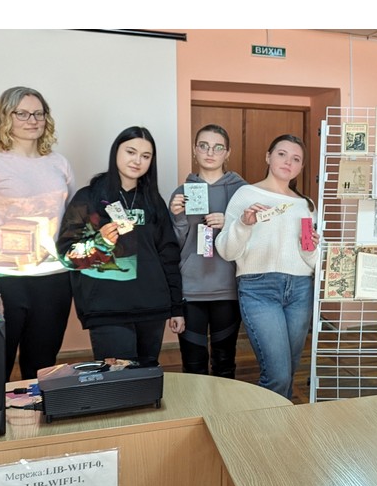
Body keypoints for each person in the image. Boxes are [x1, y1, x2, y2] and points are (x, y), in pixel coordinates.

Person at [0, 86, 75, 381]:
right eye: (22, 113)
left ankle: (36, 413)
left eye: (38, 113)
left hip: (53, 283)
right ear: (5, 116)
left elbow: (72, 226)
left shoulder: (59, 163)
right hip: (3, 283)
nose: (32, 120)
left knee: (41, 371)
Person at [57, 126, 184, 363]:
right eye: (130, 152)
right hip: (107, 309)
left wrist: (176, 306)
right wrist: (100, 242)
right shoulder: (89, 198)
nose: (137, 161)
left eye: (145, 156)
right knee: (119, 381)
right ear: (116, 151)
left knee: (147, 378)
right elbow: (67, 255)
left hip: (152, 308)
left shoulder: (153, 201)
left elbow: (168, 254)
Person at [216, 135, 319, 400]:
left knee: (289, 371)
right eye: (282, 154)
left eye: (296, 159)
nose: (288, 162)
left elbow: (315, 261)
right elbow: (227, 251)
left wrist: (310, 247)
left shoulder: (306, 205)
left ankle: (280, 423)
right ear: (268, 156)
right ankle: (264, 425)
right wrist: (244, 224)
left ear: (301, 167)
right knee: (277, 375)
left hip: (300, 290)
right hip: (258, 289)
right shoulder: (246, 194)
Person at [168, 125, 246, 378]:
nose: (210, 152)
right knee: (193, 367)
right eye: (203, 146)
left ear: (228, 152)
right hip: (191, 290)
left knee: (225, 363)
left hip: (228, 287)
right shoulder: (181, 193)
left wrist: (230, 223)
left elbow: (253, 240)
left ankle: (223, 406)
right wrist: (178, 218)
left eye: (218, 147)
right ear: (195, 150)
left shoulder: (242, 191)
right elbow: (174, 247)